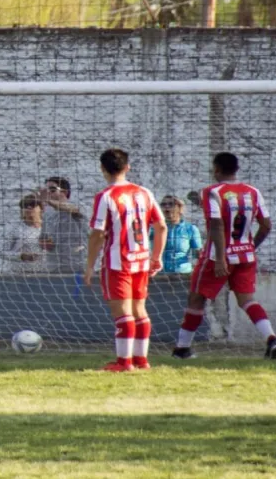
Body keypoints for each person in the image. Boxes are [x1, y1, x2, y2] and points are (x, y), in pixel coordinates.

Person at [173, 152, 276, 360]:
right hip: (245, 256)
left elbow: (216, 224)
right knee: (246, 300)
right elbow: (266, 226)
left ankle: (182, 348)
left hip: (216, 257)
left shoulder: (212, 192)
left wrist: (222, 258)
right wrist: (251, 246)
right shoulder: (252, 192)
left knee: (196, 299)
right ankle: (272, 339)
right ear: (236, 169)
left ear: (216, 169)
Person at [84, 149, 166, 372]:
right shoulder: (144, 193)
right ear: (127, 167)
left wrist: (90, 265)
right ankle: (141, 360)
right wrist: (156, 257)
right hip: (141, 260)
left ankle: (124, 363)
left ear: (102, 169)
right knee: (140, 309)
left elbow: (98, 233)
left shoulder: (106, 196)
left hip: (117, 261)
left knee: (122, 312)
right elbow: (161, 226)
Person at [38, 176, 87, 274]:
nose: (48, 193)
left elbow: (73, 209)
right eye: (46, 190)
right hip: (54, 267)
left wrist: (47, 200)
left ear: (65, 192)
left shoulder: (79, 205)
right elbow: (42, 238)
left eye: (52, 190)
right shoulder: (47, 213)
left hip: (77, 266)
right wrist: (44, 243)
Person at [150, 195, 202, 274]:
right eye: (163, 204)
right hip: (159, 274)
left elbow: (198, 254)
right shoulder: (154, 228)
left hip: (183, 274)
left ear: (180, 208)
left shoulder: (190, 229)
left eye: (171, 204)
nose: (166, 207)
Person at [3, 194, 48, 273]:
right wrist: (22, 256)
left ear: (41, 209)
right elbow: (2, 253)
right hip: (20, 274)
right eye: (25, 205)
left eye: (32, 204)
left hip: (45, 274)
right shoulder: (15, 229)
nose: (29, 208)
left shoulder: (49, 228)